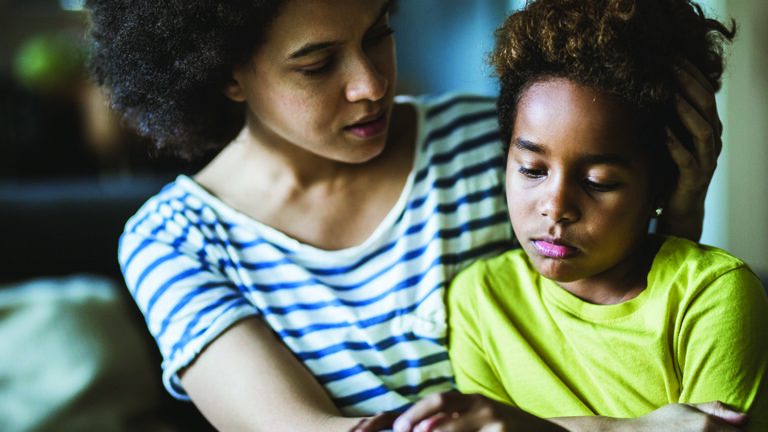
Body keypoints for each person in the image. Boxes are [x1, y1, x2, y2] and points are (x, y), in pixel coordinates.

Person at [84, 0, 745, 430]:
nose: (371, 82)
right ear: (226, 74)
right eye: (317, 65)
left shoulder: (484, 143)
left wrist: (677, 210)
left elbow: (612, 311)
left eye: (378, 35)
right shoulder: (174, 242)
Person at [362, 0, 768, 431]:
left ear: (664, 182)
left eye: (598, 181)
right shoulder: (480, 304)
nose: (555, 206)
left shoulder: (713, 296)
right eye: (532, 170)